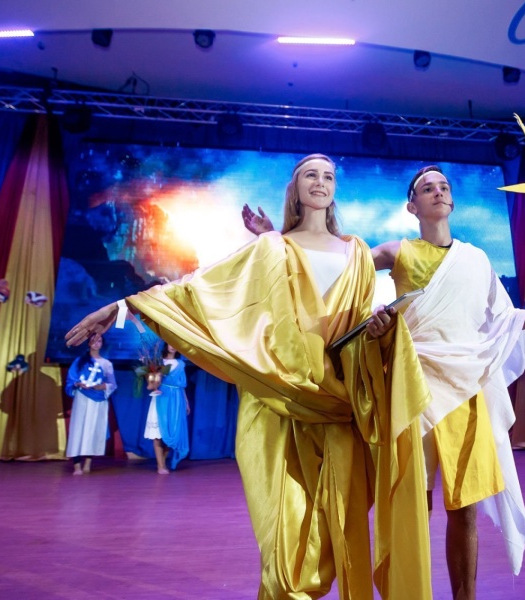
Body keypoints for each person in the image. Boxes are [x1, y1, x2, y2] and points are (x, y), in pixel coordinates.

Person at [66, 154, 433, 599]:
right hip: (276, 402)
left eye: (328, 176)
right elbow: (199, 289)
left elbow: (357, 325)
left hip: (338, 407)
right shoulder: (271, 248)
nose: (320, 182)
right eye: (310, 175)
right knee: (283, 545)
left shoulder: (356, 251)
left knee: (335, 535)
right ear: (295, 188)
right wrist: (121, 306)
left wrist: (380, 332)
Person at [244, 165, 525, 600]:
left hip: (467, 392)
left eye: (444, 186)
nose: (438, 192)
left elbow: (504, 319)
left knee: (465, 508)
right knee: (414, 505)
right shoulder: (397, 251)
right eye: (427, 188)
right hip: (412, 390)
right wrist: (274, 239)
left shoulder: (477, 260)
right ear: (412, 206)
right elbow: (332, 264)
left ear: (452, 200)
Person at [65, 333, 116, 475]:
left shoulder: (106, 364)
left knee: (92, 430)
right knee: (78, 429)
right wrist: (77, 384)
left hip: (98, 401)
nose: (96, 343)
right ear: (88, 343)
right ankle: (77, 465)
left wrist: (103, 386)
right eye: (93, 341)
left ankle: (87, 464)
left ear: (102, 344)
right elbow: (71, 379)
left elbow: (112, 384)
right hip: (82, 398)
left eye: (99, 341)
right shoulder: (80, 361)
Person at [143, 343, 190, 474]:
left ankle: (163, 462)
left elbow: (182, 386)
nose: (172, 346)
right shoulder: (158, 363)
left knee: (173, 431)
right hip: (162, 398)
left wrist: (186, 402)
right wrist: (156, 378)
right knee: (158, 432)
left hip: (176, 399)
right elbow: (150, 386)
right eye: (170, 342)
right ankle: (160, 466)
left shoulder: (181, 364)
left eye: (175, 343)